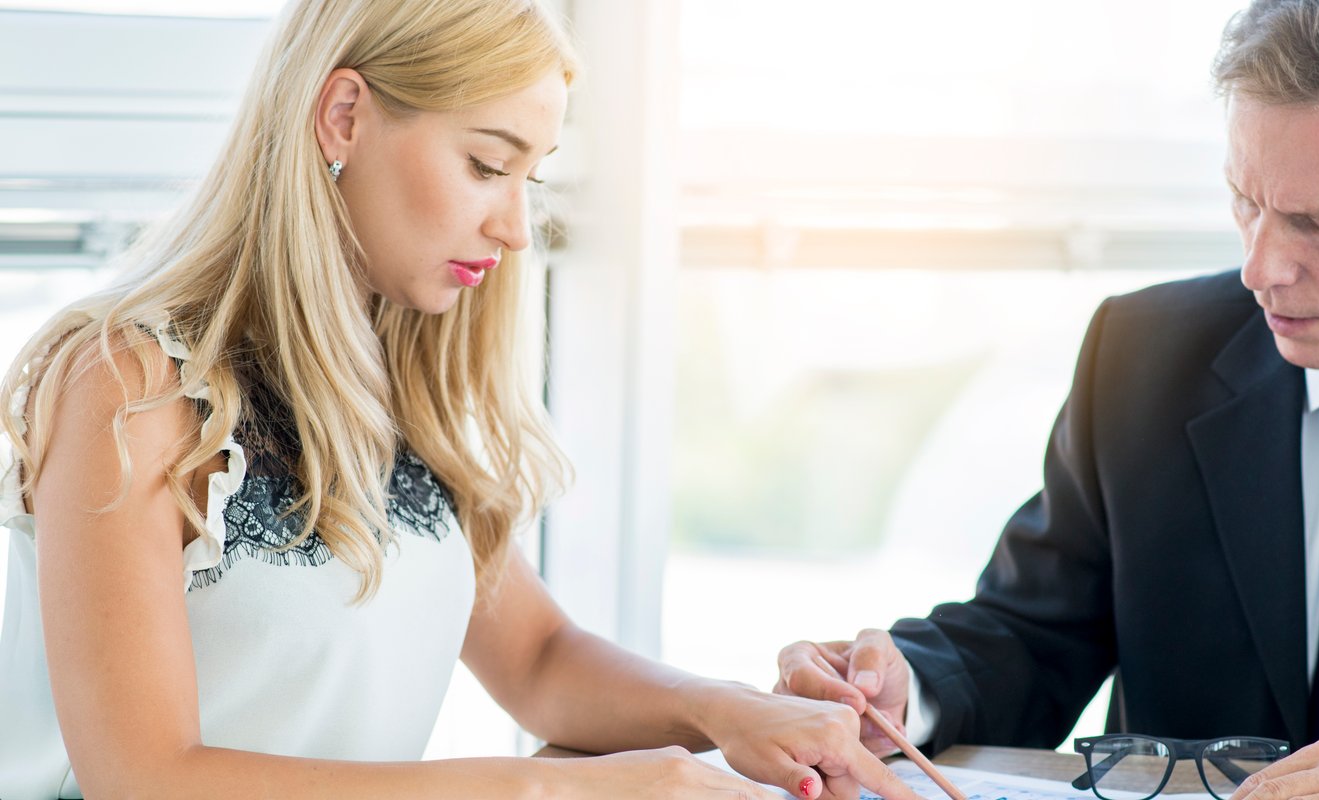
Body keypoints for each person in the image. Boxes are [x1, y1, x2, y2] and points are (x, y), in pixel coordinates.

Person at [0, 2, 919, 799]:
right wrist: (555, 785)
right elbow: (149, 780)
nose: (516, 228)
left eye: (534, 175)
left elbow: (537, 661)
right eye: (487, 165)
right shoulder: (129, 383)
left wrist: (734, 711)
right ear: (344, 115)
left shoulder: (396, 369)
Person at [777, 1, 1319, 797]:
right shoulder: (1145, 355)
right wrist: (902, 686)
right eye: (1247, 201)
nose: (1261, 268)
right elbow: (1033, 631)